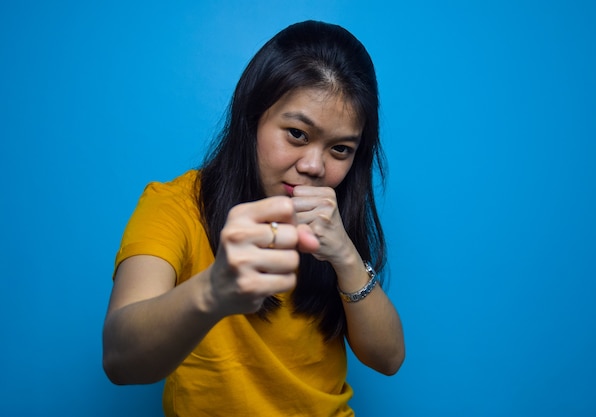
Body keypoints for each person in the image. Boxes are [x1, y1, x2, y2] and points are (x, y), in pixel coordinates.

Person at [102, 20, 405, 416]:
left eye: (341, 149)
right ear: (253, 118)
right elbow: (119, 359)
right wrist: (214, 290)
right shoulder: (175, 205)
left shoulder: (335, 218)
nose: (314, 166)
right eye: (297, 134)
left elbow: (389, 360)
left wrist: (345, 256)